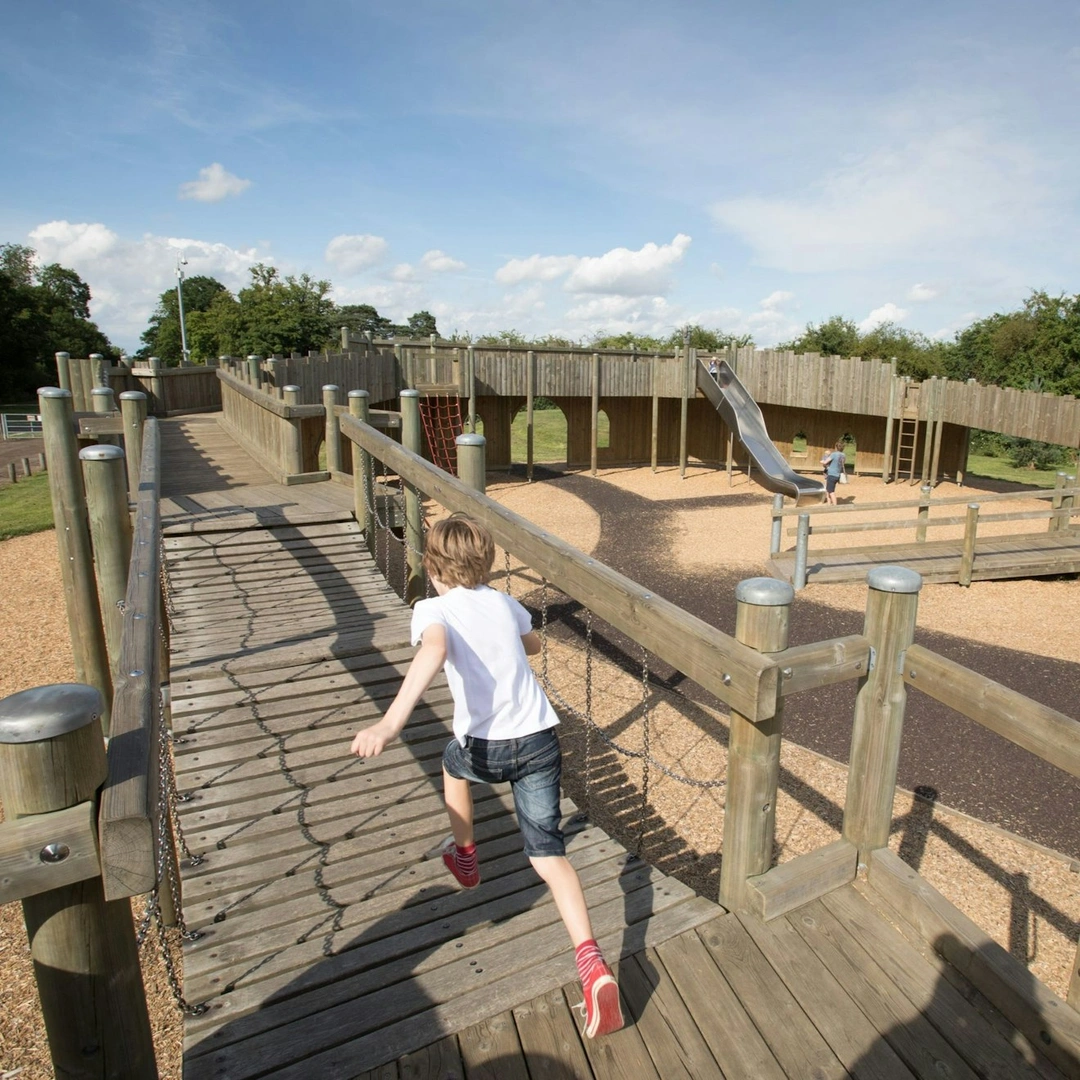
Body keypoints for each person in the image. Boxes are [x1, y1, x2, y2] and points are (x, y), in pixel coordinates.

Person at [349, 514, 624, 1038]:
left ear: (431, 566)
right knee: (550, 856)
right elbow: (533, 644)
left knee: (453, 761)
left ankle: (467, 856)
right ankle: (590, 963)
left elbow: (433, 649)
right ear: (486, 563)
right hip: (541, 741)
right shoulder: (504, 603)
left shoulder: (432, 609)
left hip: (486, 747)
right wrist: (507, 642)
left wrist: (389, 724)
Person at [820, 439, 847, 505]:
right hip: (837, 475)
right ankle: (829, 504)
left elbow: (826, 462)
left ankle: (835, 506)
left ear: (836, 447)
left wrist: (822, 461)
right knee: (828, 489)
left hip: (832, 474)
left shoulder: (834, 454)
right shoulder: (843, 455)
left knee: (831, 491)